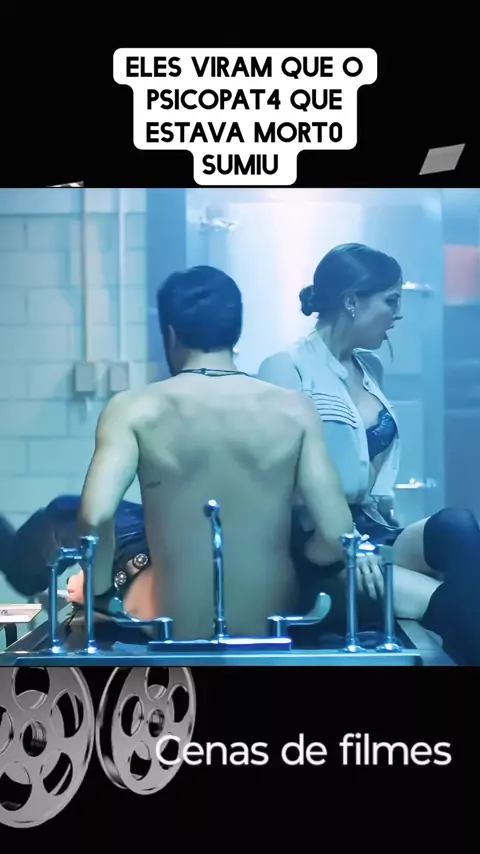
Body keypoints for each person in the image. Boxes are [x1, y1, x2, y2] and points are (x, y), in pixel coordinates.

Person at [2, 265, 353, 641]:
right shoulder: (295, 410)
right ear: (235, 330)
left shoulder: (134, 409)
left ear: (171, 334)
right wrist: (298, 562)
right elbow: (337, 535)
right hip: (270, 625)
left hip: (172, 624)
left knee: (69, 514)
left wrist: (99, 586)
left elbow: (95, 515)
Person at [257, 242, 480, 665]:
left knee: (456, 526)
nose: (398, 314)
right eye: (390, 300)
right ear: (351, 301)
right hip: (320, 550)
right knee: (454, 602)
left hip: (373, 532)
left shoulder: (370, 367)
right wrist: (345, 542)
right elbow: (274, 481)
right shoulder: (286, 368)